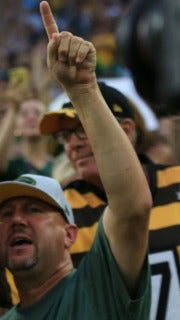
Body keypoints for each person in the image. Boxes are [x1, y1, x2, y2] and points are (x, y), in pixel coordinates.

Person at [0, 2, 152, 318]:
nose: (16, 220)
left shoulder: (97, 288)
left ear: (70, 234)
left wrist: (83, 89)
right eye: (6, 215)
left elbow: (131, 208)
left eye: (34, 209)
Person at [38, 35, 180, 320]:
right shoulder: (57, 211)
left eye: (82, 129)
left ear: (126, 130)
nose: (72, 144)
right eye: (65, 135)